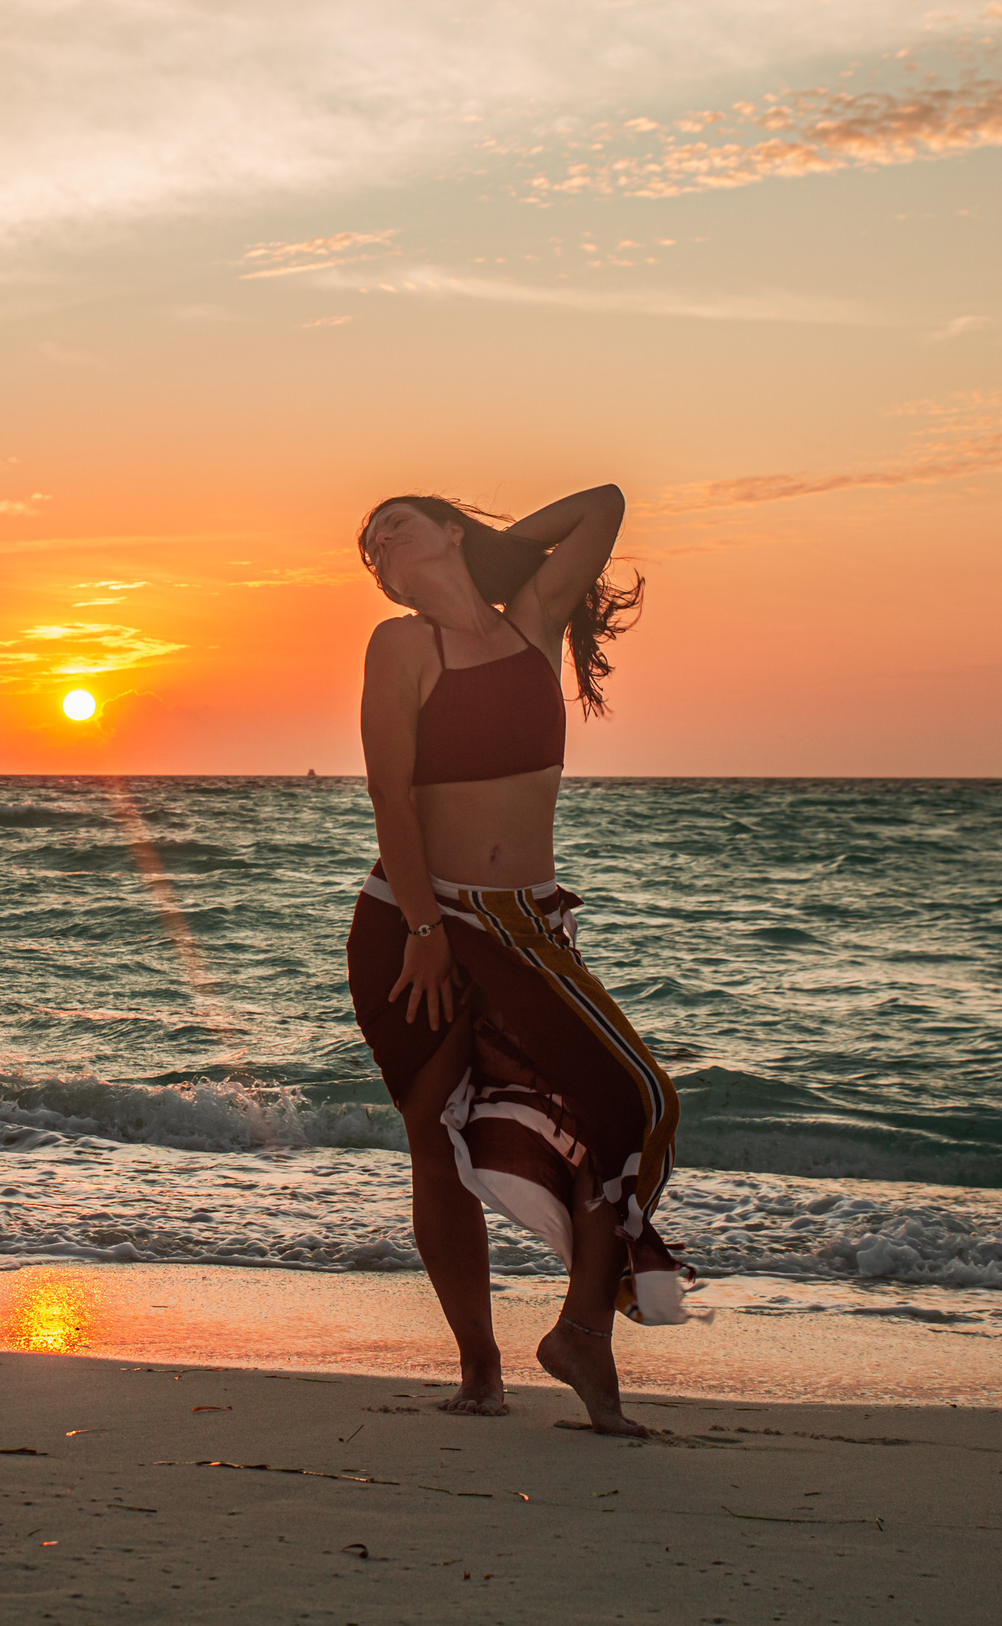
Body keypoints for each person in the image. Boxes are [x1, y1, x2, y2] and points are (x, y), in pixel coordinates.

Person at [347, 487, 690, 1438]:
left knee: (638, 1102)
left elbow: (606, 505)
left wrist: (494, 550)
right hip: (414, 923)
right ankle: (481, 1369)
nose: (379, 546)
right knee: (432, 1137)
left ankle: (581, 1330)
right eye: (370, 548)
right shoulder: (403, 646)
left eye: (396, 525)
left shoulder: (533, 625)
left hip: (525, 929)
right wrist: (421, 928)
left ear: (451, 530)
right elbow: (391, 796)